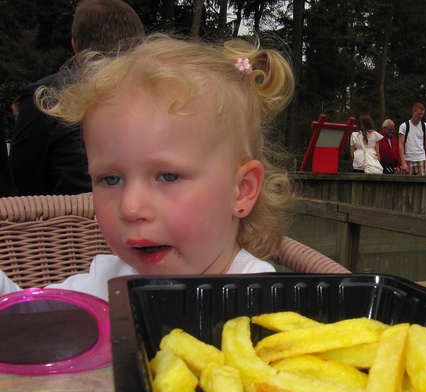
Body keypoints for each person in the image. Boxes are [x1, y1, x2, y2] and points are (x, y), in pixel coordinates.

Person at [0, 34, 296, 302]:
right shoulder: (106, 284)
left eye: (168, 176)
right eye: (111, 179)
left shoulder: (260, 301)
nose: (130, 208)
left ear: (241, 190)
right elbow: (25, 318)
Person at [9, 0, 145, 196]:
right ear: (141, 45)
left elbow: (20, 187)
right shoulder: (170, 92)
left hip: (62, 214)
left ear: (75, 49)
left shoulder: (43, 97)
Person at [398, 102, 426, 175]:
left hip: (421, 158)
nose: (420, 116)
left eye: (422, 114)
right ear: (413, 112)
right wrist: (403, 162)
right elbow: (401, 144)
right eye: (419, 114)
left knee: (423, 181)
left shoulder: (425, 126)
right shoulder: (404, 126)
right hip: (408, 159)